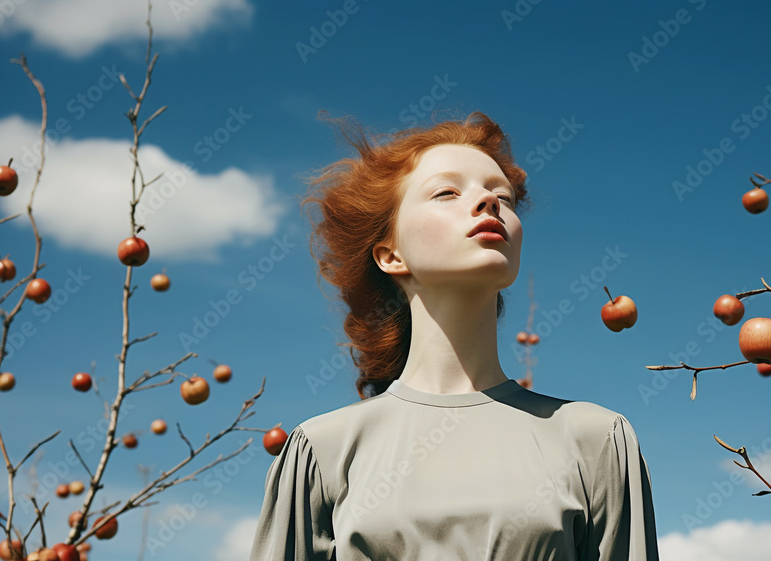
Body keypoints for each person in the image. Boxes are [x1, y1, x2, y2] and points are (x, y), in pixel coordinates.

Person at [248, 111, 659, 560]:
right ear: (391, 254)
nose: (489, 203)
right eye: (447, 191)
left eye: (502, 195)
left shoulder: (596, 440)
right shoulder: (322, 451)